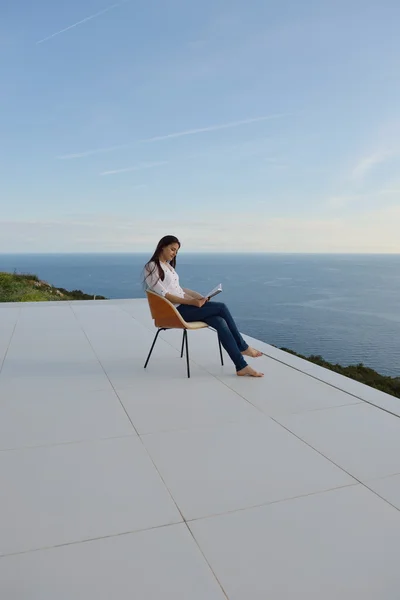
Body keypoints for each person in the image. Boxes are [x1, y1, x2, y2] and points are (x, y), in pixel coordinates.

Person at [144, 235, 264, 377]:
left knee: (219, 321)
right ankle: (243, 347)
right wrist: (193, 302)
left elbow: (179, 290)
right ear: (162, 246)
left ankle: (241, 366)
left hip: (183, 308)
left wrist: (198, 297)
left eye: (176, 251)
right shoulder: (152, 266)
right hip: (174, 312)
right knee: (221, 307)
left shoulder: (168, 266)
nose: (174, 253)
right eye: (172, 249)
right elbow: (167, 296)